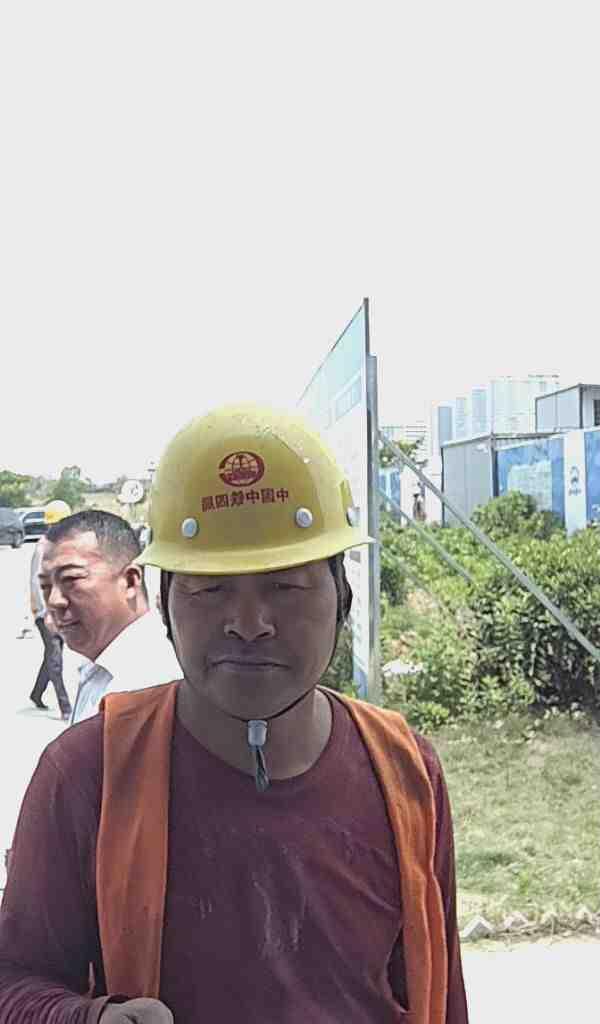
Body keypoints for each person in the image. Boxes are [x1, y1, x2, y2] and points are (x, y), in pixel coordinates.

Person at [0, 406, 469, 1023]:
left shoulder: (404, 769)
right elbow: (15, 979)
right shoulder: (89, 771)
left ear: (342, 596)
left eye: (286, 585)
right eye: (211, 588)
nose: (249, 624)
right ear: (165, 602)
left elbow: (441, 989)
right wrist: (89, 1018)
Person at [39, 509, 181, 724]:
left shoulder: (151, 680)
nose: (54, 601)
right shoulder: (99, 670)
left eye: (71, 579)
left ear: (130, 581)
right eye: (45, 586)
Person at [28, 500, 73, 719]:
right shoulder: (43, 548)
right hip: (45, 612)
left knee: (52, 654)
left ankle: (36, 694)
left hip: (57, 610)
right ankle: (66, 708)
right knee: (55, 657)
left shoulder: (59, 546)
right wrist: (45, 612)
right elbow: (36, 582)